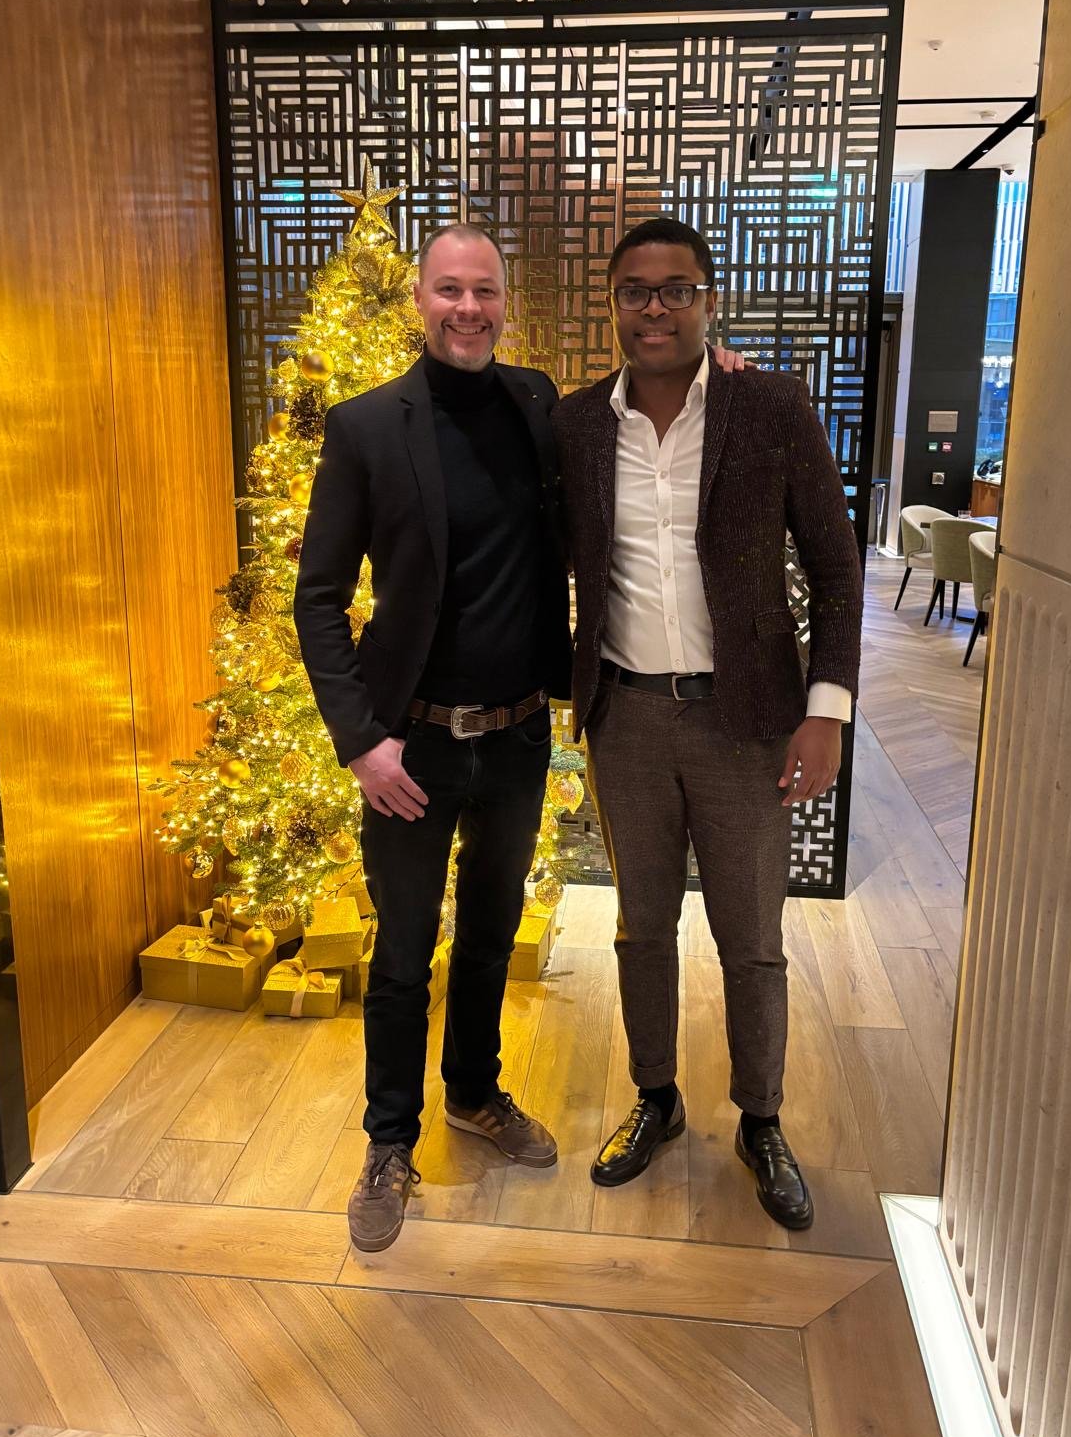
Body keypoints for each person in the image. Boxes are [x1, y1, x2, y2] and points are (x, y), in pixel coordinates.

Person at [551, 216, 863, 1229]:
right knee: (642, 928)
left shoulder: (768, 405)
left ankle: (761, 1117)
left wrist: (826, 711)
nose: (656, 306)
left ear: (708, 297)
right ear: (613, 304)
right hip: (626, 718)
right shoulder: (574, 424)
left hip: (747, 722)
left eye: (676, 288)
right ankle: (655, 1100)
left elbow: (836, 564)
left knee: (752, 938)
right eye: (637, 289)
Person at [294, 224, 571, 1253]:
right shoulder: (367, 427)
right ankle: (388, 1142)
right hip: (405, 749)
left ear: (506, 299)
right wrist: (359, 739)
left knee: (491, 937)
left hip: (515, 741)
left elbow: (631, 419)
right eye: (449, 291)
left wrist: (714, 368)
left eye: (485, 291)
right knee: (405, 955)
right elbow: (318, 597)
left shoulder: (540, 405)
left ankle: (474, 1095)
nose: (468, 309)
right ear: (420, 302)